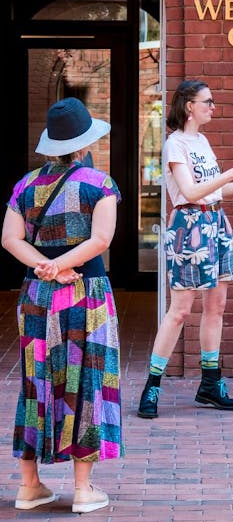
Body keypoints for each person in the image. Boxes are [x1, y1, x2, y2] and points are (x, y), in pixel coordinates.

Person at [137, 79, 233, 419]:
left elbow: (213, 192)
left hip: (215, 223)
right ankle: (153, 385)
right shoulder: (175, 145)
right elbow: (190, 192)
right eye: (208, 101)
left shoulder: (202, 142)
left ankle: (209, 384)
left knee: (216, 306)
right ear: (189, 106)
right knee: (179, 310)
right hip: (188, 228)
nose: (213, 107)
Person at [1, 97, 123, 513]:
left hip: (36, 296)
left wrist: (44, 267)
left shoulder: (26, 185)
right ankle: (84, 491)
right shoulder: (99, 183)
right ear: (85, 143)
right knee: (86, 379)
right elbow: (101, 240)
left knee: (36, 382)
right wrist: (61, 266)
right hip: (86, 292)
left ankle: (29, 486)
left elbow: (10, 239)